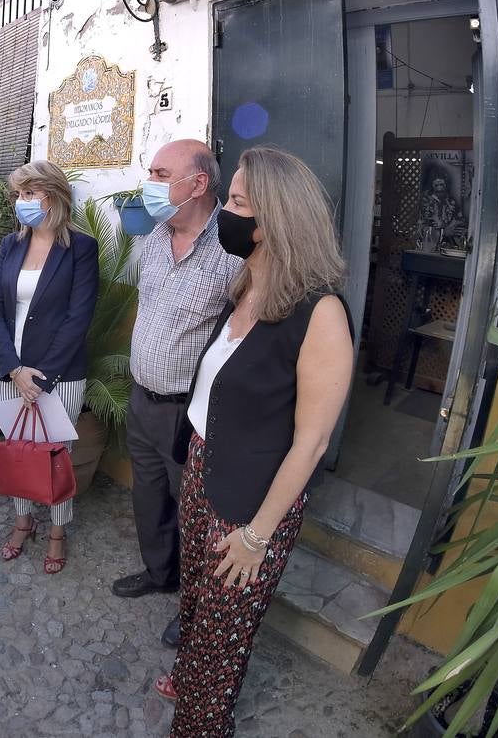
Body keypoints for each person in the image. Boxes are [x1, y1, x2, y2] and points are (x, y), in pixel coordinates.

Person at [154, 146, 354, 736]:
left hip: (249, 506)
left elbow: (312, 443)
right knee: (197, 604)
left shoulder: (320, 314)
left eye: (237, 203)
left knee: (222, 637)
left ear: (275, 222)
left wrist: (256, 537)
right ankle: (190, 678)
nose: (226, 215)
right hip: (201, 468)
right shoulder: (246, 287)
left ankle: (200, 720)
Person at [111, 139, 241, 649]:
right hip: (141, 400)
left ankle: (193, 604)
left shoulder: (232, 251)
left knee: (194, 511)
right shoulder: (152, 240)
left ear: (198, 184)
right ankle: (159, 573)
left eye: (161, 173)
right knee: (148, 496)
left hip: (190, 412)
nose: (151, 183)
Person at [0, 160, 98, 574]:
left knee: (56, 454)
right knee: (19, 450)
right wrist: (14, 368)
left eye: (28, 193)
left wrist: (43, 376)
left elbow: (78, 318)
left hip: (60, 375)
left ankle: (57, 530)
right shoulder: (10, 245)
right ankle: (23, 521)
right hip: (8, 370)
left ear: (52, 197)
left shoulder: (80, 249)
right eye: (18, 194)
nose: (21, 202)